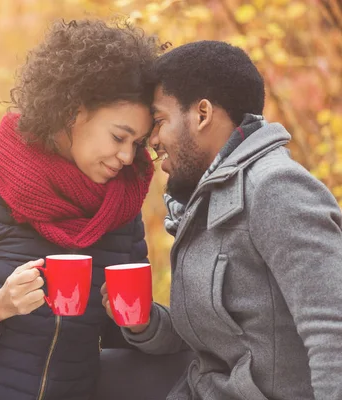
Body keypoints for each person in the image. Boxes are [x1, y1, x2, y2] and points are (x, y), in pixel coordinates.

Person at [0, 19, 191, 400]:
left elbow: (121, 347)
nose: (128, 157)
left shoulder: (120, 216)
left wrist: (142, 325)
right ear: (73, 112)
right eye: (118, 137)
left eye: (138, 143)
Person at [120, 40, 342, 400]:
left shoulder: (275, 187)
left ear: (202, 114)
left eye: (159, 121)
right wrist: (143, 322)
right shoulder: (205, 200)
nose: (153, 141)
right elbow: (218, 338)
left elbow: (333, 330)